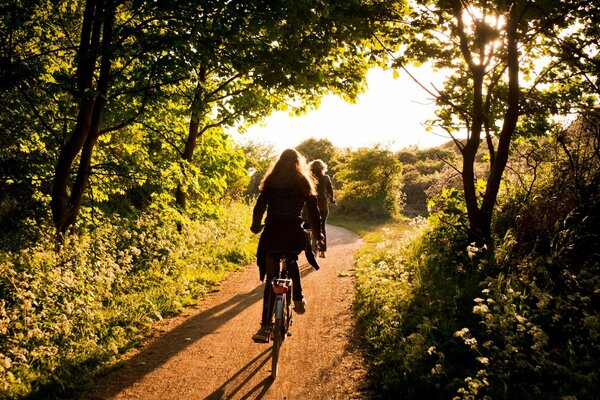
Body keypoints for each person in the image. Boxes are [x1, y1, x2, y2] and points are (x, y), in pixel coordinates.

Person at [250, 149, 323, 343]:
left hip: (273, 232)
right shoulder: (303, 182)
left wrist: (256, 227)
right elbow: (314, 212)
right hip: (293, 233)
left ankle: (265, 327)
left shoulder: (272, 182)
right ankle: (298, 299)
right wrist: (318, 234)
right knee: (292, 258)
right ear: (299, 163)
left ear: (279, 163)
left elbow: (259, 207)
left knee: (271, 279)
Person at [308, 159, 335, 258]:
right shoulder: (325, 178)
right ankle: (323, 252)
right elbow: (330, 191)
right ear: (323, 168)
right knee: (321, 227)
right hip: (322, 207)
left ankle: (307, 244)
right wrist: (332, 200)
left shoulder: (308, 178)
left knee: (307, 225)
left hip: (309, 207)